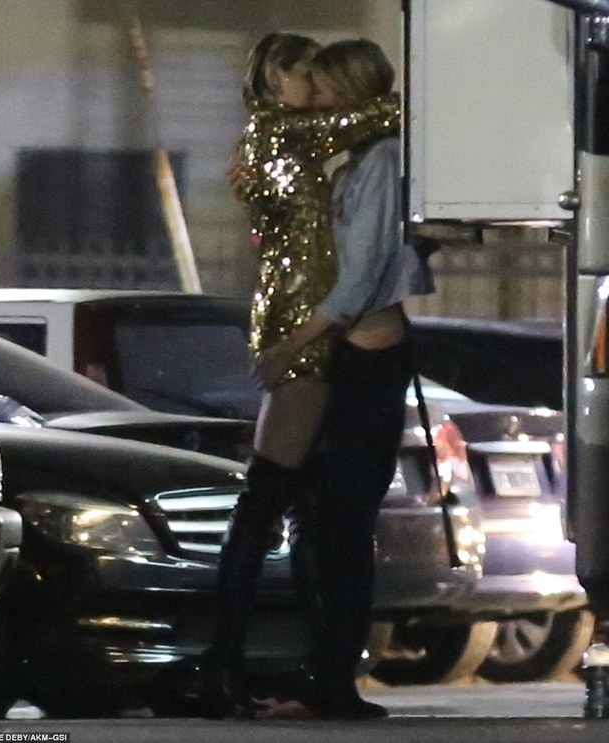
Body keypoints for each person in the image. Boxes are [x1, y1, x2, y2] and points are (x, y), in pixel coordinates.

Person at [195, 32, 402, 719]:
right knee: (269, 499)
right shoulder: (285, 135)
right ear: (274, 78)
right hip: (303, 332)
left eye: (324, 80)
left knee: (299, 505)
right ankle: (225, 666)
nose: (317, 93)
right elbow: (380, 112)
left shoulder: (286, 141)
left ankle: (271, 667)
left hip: (310, 327)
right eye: (307, 77)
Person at [255, 39, 435, 720]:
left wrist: (291, 344)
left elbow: (358, 281)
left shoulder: (380, 162)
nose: (320, 99)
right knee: (328, 524)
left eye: (328, 87)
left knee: (345, 523)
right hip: (354, 355)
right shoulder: (357, 161)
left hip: (370, 359)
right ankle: (322, 677)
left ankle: (335, 681)